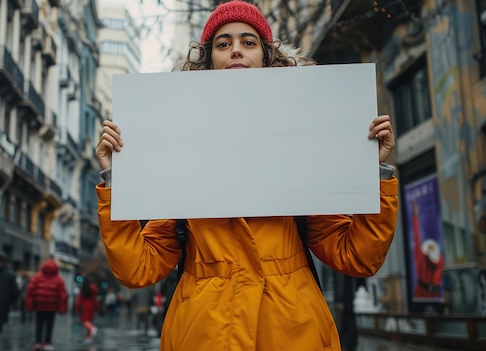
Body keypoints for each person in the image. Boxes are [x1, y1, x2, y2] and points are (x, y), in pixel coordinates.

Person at [94, 1, 399, 350]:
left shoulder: (306, 142)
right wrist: (114, 181)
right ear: (208, 62)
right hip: (204, 334)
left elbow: (357, 256)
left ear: (267, 57)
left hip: (292, 331)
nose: (236, 50)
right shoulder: (178, 150)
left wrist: (372, 171)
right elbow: (138, 269)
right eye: (223, 44)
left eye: (248, 42)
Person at [25, 258, 69, 351]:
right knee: (49, 325)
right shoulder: (59, 280)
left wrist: (30, 305)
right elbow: (63, 295)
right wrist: (62, 308)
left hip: (39, 306)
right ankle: (47, 342)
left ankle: (37, 342)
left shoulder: (37, 277)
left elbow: (31, 291)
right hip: (52, 307)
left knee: (39, 324)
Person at [73, 277, 99, 343]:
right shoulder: (93, 289)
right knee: (89, 321)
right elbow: (95, 299)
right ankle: (88, 337)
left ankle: (92, 328)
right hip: (91, 306)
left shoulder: (83, 289)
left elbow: (79, 300)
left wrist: (76, 308)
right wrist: (96, 308)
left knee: (84, 321)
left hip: (84, 306)